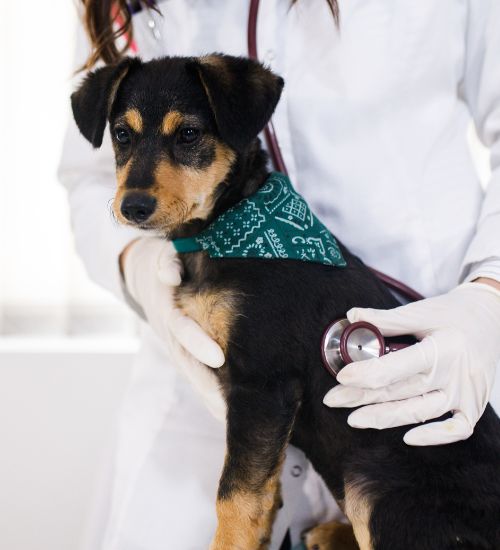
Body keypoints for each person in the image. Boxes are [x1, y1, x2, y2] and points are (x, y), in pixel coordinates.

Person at [58, 1, 500, 549]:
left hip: (435, 367)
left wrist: (490, 295)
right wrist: (139, 268)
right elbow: (84, 176)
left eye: (187, 137)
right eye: (125, 139)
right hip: (196, 415)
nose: (144, 177)